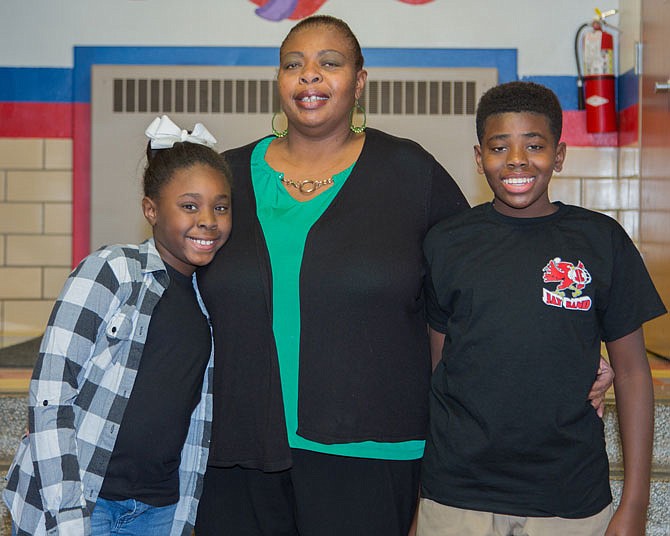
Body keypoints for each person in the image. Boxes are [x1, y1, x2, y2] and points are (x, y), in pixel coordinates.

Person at [194, 17, 613, 536]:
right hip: (237, 448)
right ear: (278, 80)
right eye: (293, 65)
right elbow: (176, 284)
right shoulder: (224, 176)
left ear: (360, 81)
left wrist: (568, 345)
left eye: (330, 64)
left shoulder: (410, 173)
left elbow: (482, 273)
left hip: (373, 454)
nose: (310, 78)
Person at [417, 81, 667, 536]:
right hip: (457, 496)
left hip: (569, 498)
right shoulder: (447, 242)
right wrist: (422, 499)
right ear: (479, 158)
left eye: (534, 145)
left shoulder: (600, 240)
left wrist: (634, 504)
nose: (516, 159)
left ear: (559, 154)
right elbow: (439, 368)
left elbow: (632, 373)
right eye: (499, 147)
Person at [3, 115, 233, 536]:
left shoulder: (209, 300)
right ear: (151, 210)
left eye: (220, 206)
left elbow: (196, 420)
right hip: (83, 502)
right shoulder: (110, 271)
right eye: (189, 205)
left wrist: (180, 519)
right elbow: (51, 396)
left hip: (158, 510)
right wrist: (70, 517)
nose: (208, 219)